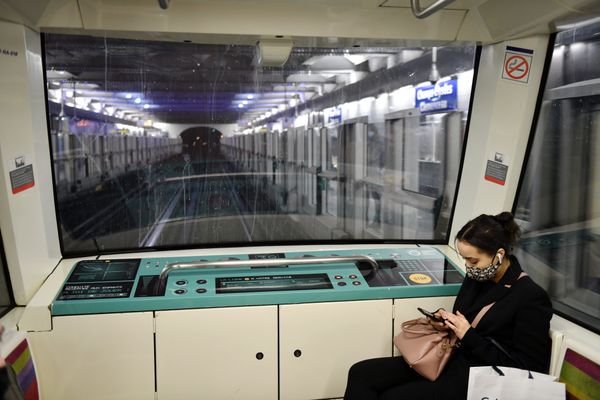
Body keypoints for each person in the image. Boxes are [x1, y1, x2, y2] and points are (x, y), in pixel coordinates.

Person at [343, 212, 553, 400]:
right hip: (448, 356)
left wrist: (468, 335)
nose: (468, 267)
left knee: (390, 396)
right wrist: (446, 322)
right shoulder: (478, 275)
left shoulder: (530, 297)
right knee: (361, 373)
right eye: (465, 260)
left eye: (473, 260)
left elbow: (529, 369)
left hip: (477, 374)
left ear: (498, 255)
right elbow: (467, 317)